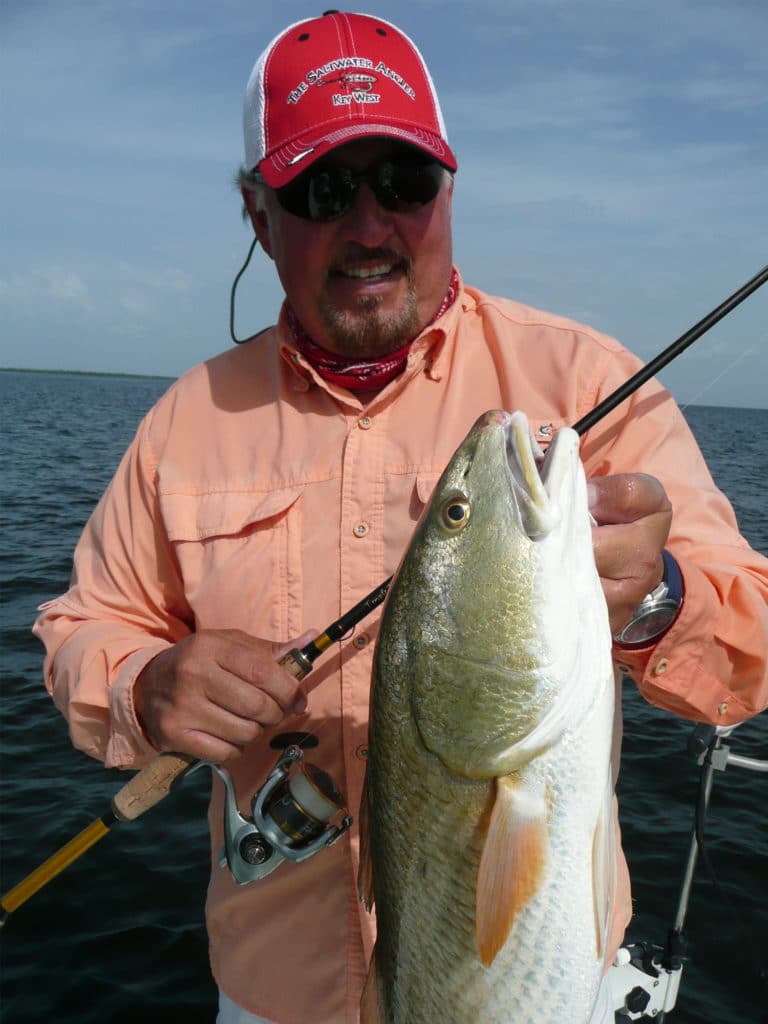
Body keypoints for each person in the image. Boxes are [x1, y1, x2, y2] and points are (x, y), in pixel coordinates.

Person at [34, 11, 768, 1024]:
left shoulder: (584, 382)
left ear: (450, 191)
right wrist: (145, 684)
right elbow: (82, 631)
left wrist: (655, 600)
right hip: (271, 993)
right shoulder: (184, 424)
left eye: (405, 182)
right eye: (323, 190)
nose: (369, 223)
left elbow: (750, 650)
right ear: (258, 213)